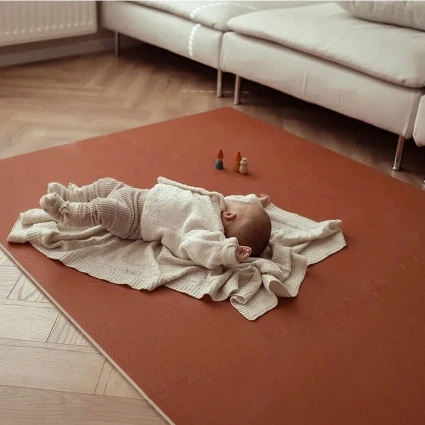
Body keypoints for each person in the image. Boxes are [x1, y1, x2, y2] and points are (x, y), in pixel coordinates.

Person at [40, 177, 272, 269]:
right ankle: (75, 195)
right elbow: (236, 200)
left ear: (230, 216)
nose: (237, 202)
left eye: (242, 206)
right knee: (106, 185)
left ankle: (67, 213)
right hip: (138, 195)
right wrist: (254, 201)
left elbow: (199, 248)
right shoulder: (219, 204)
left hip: (134, 220)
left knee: (104, 209)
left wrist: (227, 252)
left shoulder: (207, 232)